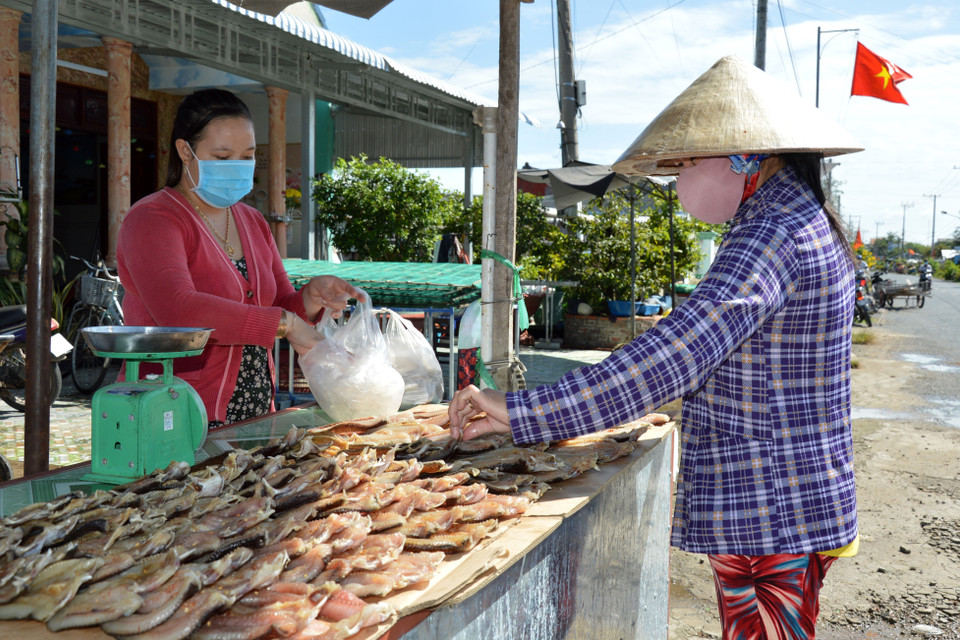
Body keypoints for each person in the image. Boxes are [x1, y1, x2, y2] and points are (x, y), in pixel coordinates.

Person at [448, 56, 862, 639]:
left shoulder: (771, 232)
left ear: (745, 156)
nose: (680, 178)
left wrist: (524, 412)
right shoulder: (796, 215)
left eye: (688, 162)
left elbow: (673, 356)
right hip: (788, 495)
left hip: (771, 506)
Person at [118, 88, 363, 426]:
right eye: (222, 157)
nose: (237, 166)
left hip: (255, 413)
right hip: (176, 414)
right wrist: (286, 324)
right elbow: (178, 309)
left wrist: (309, 298)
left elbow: (278, 304)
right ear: (185, 151)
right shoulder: (154, 218)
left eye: (247, 156)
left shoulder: (252, 221)